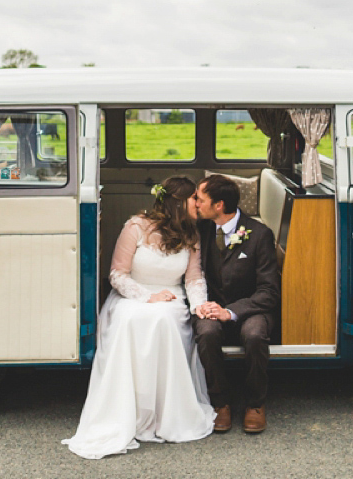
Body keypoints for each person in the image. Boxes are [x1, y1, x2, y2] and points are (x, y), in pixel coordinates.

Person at [63, 176, 214, 459]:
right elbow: (117, 274)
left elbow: (194, 278)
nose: (198, 203)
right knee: (133, 320)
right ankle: (129, 411)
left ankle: (165, 415)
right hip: (132, 294)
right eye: (194, 198)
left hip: (171, 297)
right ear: (179, 202)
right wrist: (146, 296)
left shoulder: (192, 234)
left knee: (164, 321)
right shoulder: (135, 227)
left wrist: (200, 306)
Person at [193, 174, 281, 434]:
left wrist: (231, 312)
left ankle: (255, 404)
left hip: (251, 308)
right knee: (206, 333)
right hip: (212, 306)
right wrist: (206, 307)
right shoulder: (203, 229)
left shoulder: (260, 234)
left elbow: (269, 291)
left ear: (218, 205)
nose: (196, 203)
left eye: (200, 199)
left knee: (254, 335)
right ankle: (220, 403)